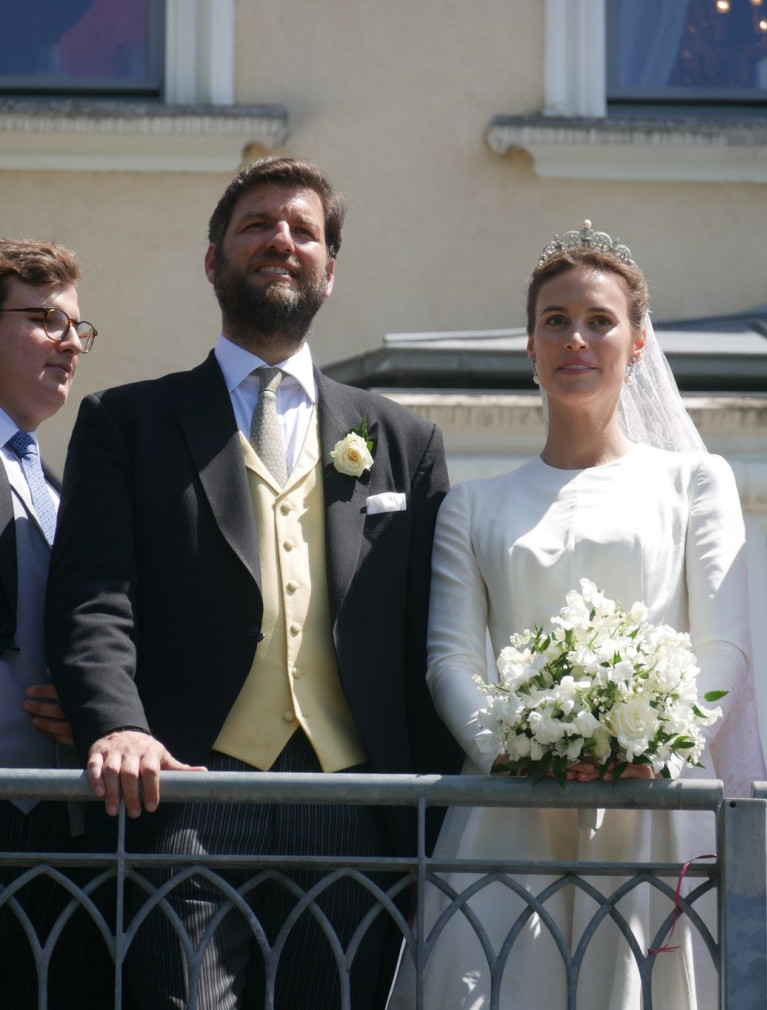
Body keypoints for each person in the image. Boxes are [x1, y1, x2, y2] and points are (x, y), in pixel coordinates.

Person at [46, 156, 461, 1009]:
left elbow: (431, 627)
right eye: (258, 225)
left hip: (357, 806)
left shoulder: (403, 441)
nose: (282, 241)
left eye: (304, 231)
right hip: (190, 791)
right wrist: (117, 723)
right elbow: (96, 598)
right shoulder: (128, 422)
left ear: (331, 272)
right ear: (212, 261)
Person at [386, 222, 767, 1008]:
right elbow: (450, 660)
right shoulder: (472, 506)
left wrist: (659, 744)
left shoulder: (695, 482)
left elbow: (725, 646)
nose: (577, 339)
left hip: (655, 809)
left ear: (637, 345)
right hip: (511, 813)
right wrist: (515, 754)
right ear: (530, 346)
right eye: (555, 321)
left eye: (600, 320)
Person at [0, 237, 96, 1008]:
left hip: (49, 835)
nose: (71, 342)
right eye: (45, 320)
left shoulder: (53, 483)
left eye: (78, 327)